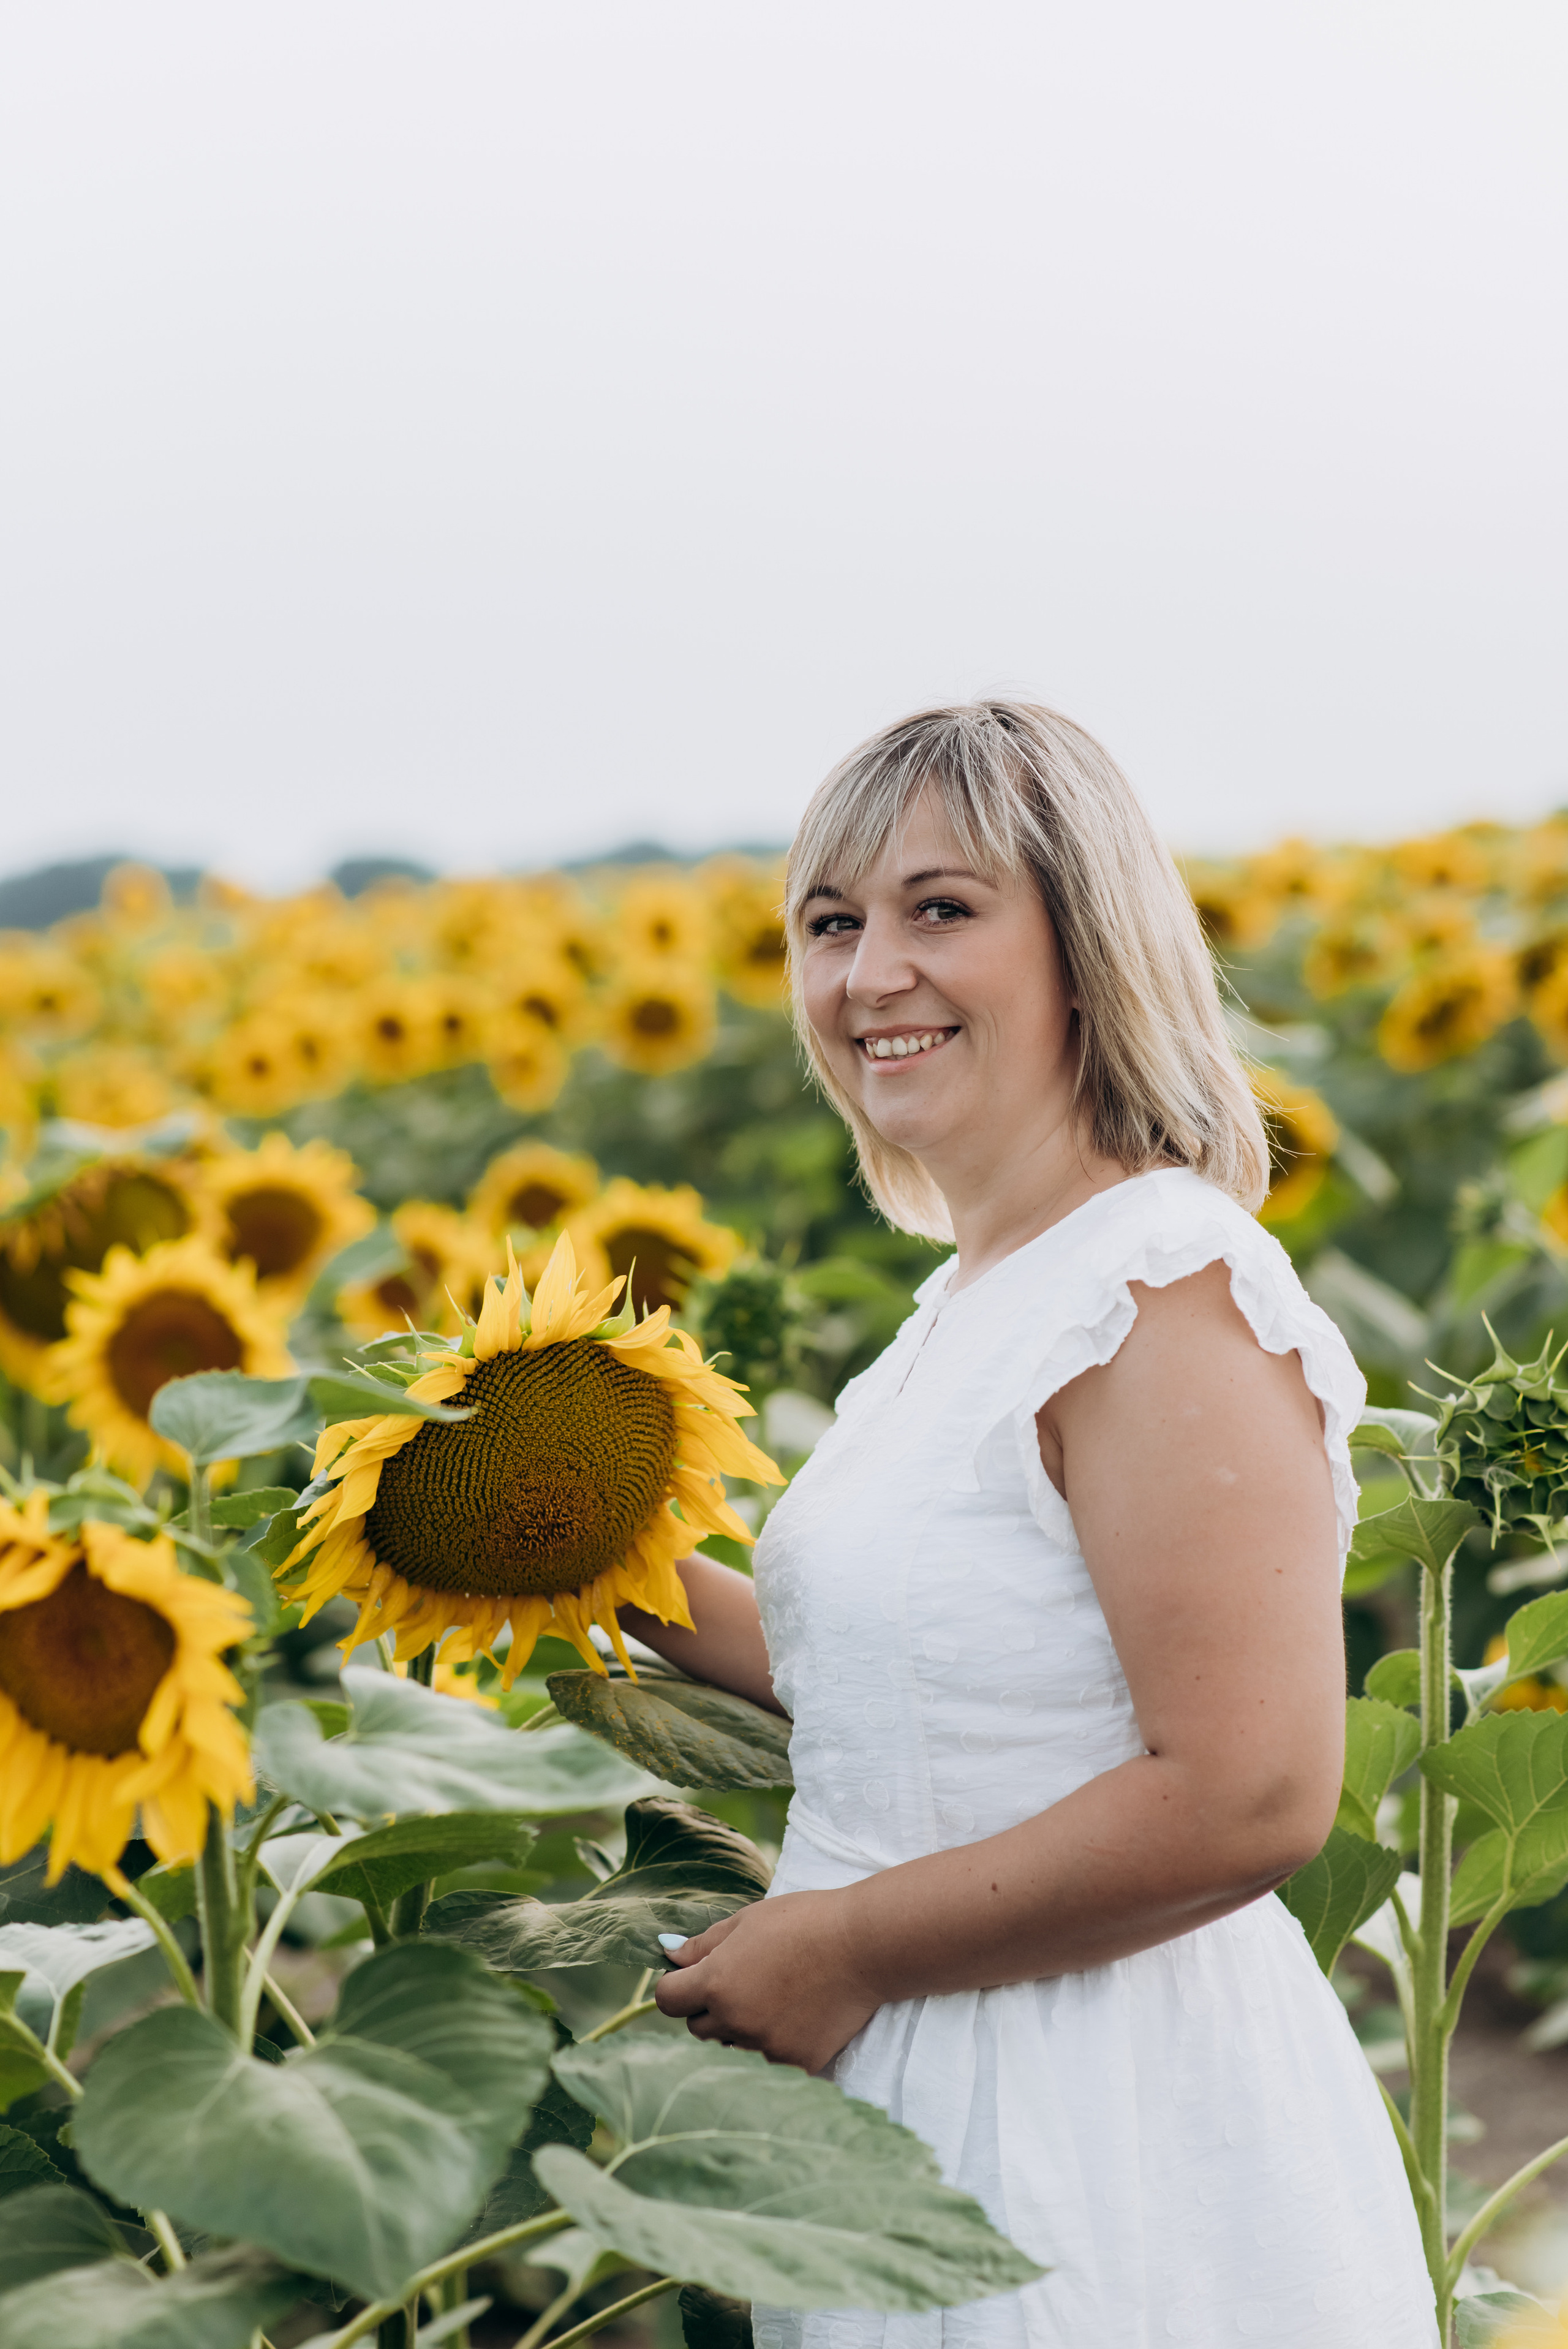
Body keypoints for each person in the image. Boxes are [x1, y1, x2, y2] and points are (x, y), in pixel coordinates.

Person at [618, 700, 1438, 2347]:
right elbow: (937, 1687)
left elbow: (1252, 1787)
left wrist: (840, 1943)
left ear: (1088, 946)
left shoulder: (1158, 1289)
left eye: (943, 908)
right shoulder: (983, 1295)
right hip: (927, 2094)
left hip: (1093, 2117)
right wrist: (583, 1566)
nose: (871, 977)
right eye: (832, 924)